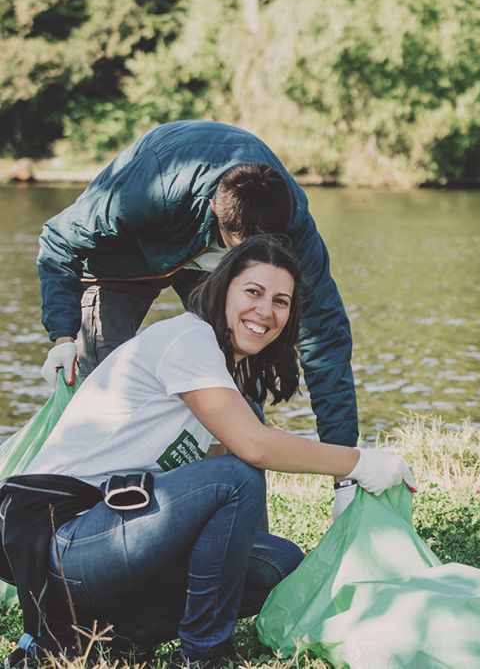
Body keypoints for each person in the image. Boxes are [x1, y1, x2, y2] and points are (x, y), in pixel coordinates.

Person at [8, 235, 415, 667]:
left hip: (112, 539)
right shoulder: (188, 339)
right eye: (253, 292)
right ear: (223, 289)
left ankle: (99, 637)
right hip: (58, 539)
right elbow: (253, 448)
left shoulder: (222, 373)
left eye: (281, 301)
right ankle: (203, 655)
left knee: (276, 564)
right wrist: (359, 463)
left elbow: (222, 496)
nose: (266, 311)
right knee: (237, 476)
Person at [36, 120, 360, 516]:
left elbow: (325, 337)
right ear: (214, 210)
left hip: (215, 271)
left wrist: (345, 471)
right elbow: (59, 239)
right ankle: (90, 528)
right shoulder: (151, 191)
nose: (254, 258)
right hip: (126, 258)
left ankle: (239, 530)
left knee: (239, 398)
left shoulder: (294, 225)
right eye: (242, 249)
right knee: (109, 390)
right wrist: (63, 337)